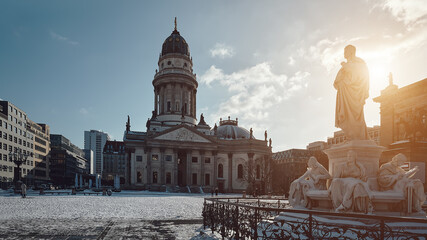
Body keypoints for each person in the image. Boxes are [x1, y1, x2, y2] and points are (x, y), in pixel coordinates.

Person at [334, 45, 369, 140]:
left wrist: (346, 67)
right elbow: (337, 81)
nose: (344, 53)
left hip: (354, 93)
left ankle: (357, 135)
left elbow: (360, 76)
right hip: (345, 92)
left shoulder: (359, 63)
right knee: (346, 116)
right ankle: (350, 136)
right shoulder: (349, 63)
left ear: (351, 52)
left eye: (346, 51)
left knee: (355, 115)